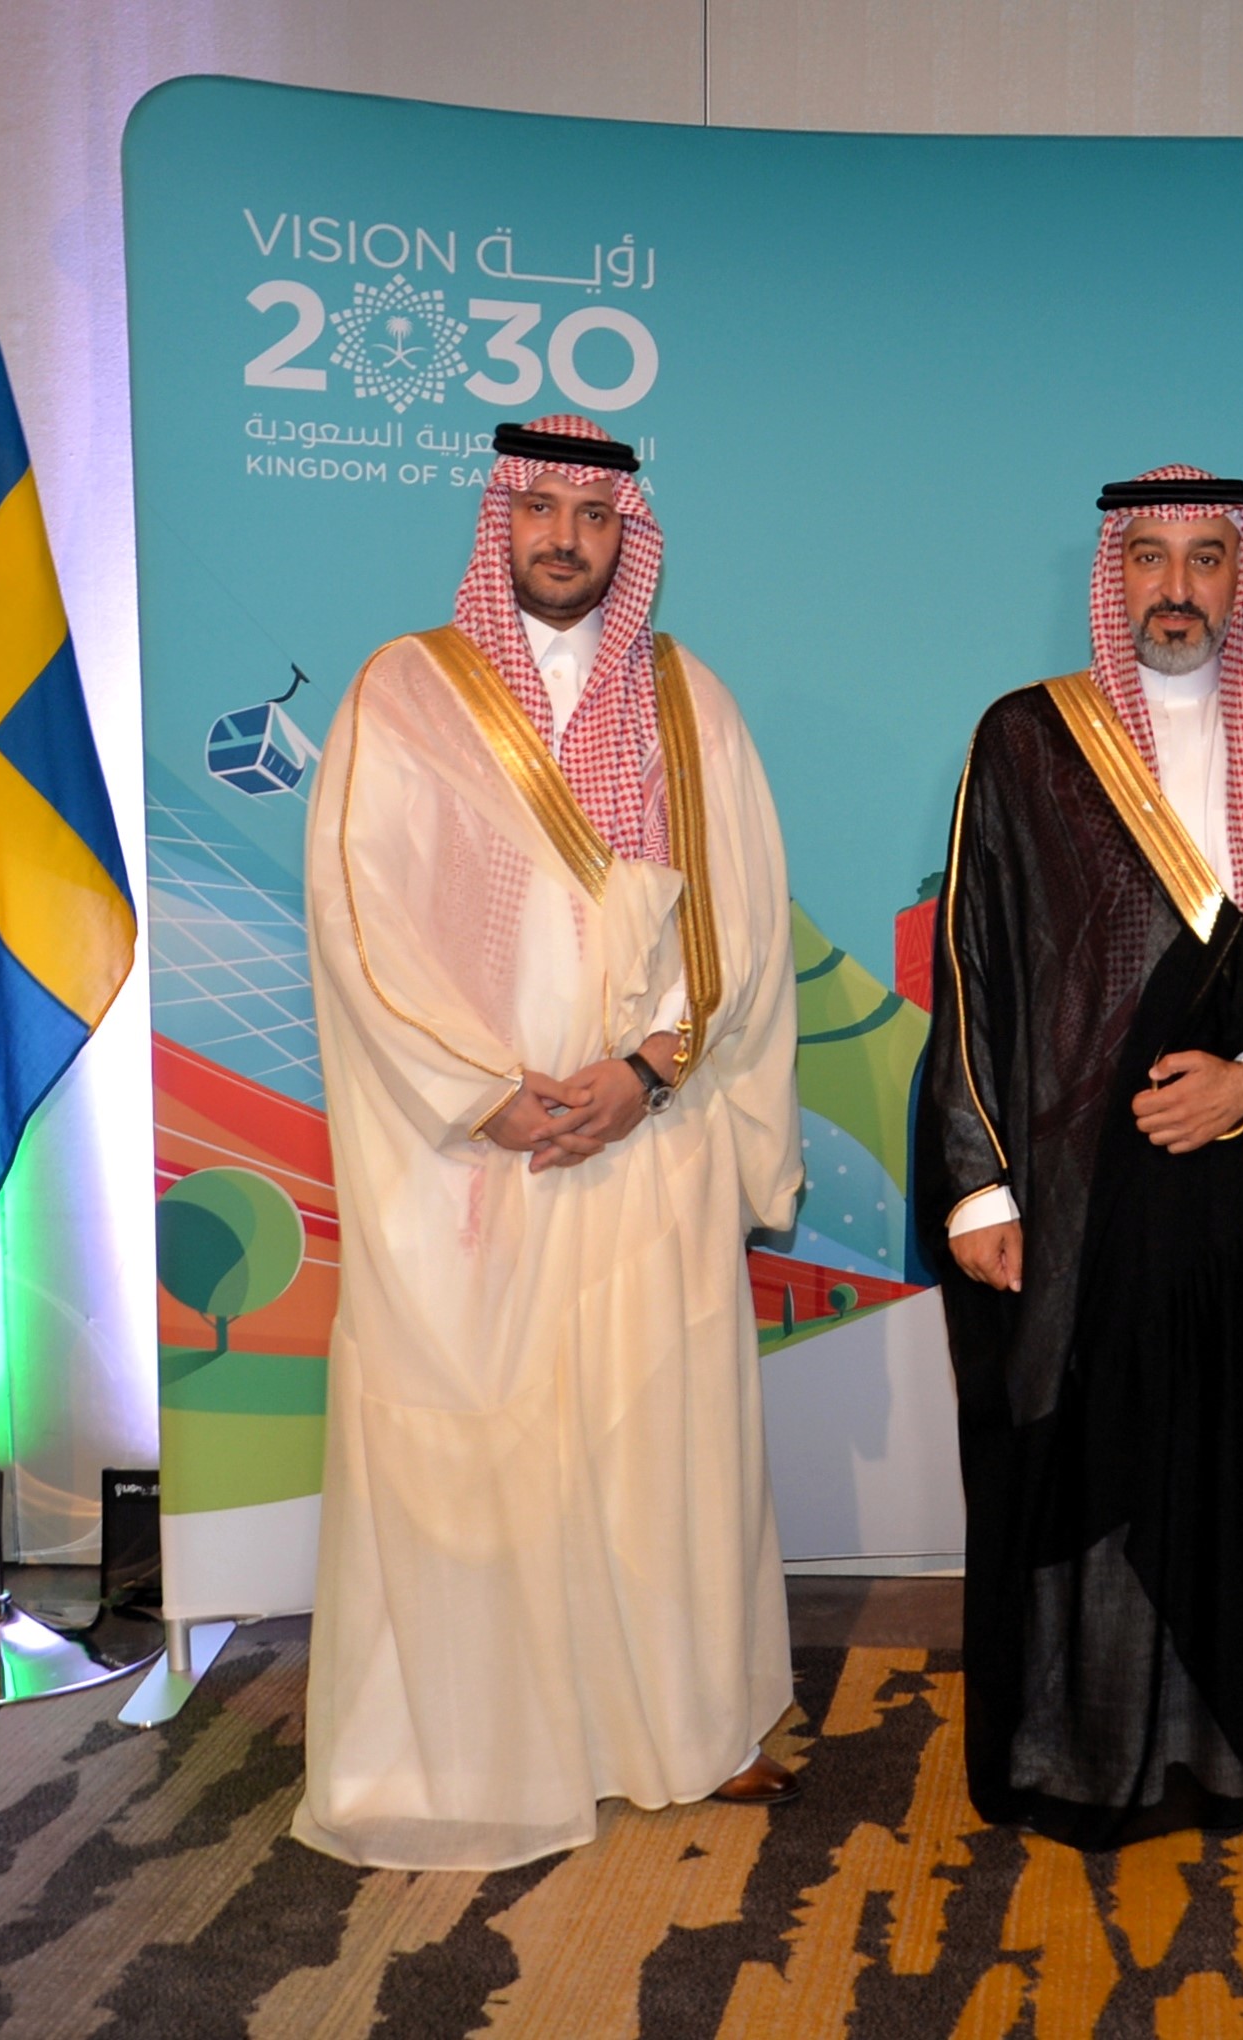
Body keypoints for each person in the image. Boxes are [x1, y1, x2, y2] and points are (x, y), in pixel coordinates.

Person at [295, 413, 804, 1870]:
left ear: (628, 534)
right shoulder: (402, 691)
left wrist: (647, 1071)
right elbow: (358, 919)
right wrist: (483, 1091)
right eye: (540, 510)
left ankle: (687, 1730)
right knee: (479, 1448)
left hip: (647, 1135)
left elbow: (743, 921)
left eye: (593, 515)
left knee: (659, 1441)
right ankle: (475, 1749)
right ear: (499, 521)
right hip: (478, 1155)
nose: (565, 539)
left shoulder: (689, 701)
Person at [918, 466, 1243, 1848]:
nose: (1176, 587)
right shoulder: (1027, 740)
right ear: (1114, 574)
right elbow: (976, 967)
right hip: (1087, 1199)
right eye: (1148, 556)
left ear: (1240, 576)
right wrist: (977, 1181)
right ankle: (1081, 1762)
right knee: (1094, 1461)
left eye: (1206, 558)